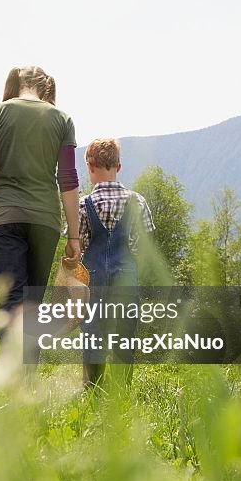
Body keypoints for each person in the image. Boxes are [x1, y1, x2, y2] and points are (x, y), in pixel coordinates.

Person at [0, 66, 81, 357]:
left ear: (15, 83)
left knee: (10, 299)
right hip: (46, 221)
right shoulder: (62, 119)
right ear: (44, 87)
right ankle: (27, 379)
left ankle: (10, 376)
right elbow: (68, 179)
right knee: (33, 303)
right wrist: (74, 235)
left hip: (4, 217)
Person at [78, 138, 155, 387]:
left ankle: (93, 389)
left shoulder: (83, 205)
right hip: (126, 277)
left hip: (93, 277)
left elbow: (76, 245)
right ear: (119, 167)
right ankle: (121, 391)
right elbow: (145, 246)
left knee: (92, 332)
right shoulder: (137, 202)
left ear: (89, 167)